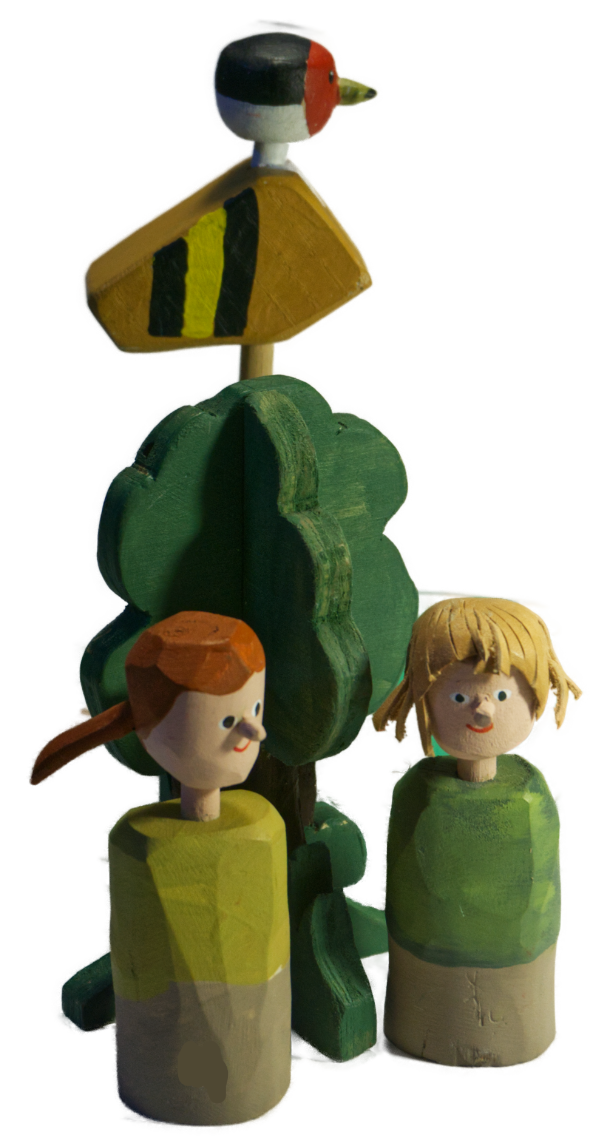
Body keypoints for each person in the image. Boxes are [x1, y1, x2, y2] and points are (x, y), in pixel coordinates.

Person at [372, 594, 586, 1072]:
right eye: (459, 697)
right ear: (424, 697)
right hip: (424, 997)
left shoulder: (529, 799)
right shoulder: (419, 798)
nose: (483, 712)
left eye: (502, 695)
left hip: (518, 994)